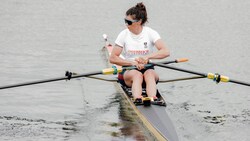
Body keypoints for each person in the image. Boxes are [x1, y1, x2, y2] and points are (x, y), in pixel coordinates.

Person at [109, 2, 170, 102]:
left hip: (147, 68)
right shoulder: (123, 35)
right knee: (137, 75)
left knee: (149, 74)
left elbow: (166, 51)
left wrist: (147, 57)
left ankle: (152, 98)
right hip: (129, 70)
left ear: (139, 21)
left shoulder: (150, 33)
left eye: (128, 22)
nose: (126, 24)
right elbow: (113, 58)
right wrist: (132, 63)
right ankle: (137, 98)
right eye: (125, 21)